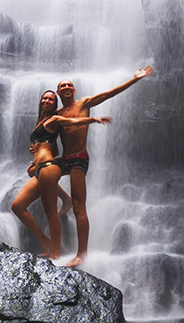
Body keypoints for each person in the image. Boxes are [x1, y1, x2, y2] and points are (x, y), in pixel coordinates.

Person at [55, 66, 153, 267]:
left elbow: (109, 94)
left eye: (69, 85)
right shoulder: (57, 114)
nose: (66, 87)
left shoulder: (84, 103)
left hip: (78, 159)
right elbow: (46, 137)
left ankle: (81, 254)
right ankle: (64, 199)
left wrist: (135, 79)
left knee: (79, 206)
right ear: (58, 92)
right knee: (37, 171)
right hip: (64, 159)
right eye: (62, 86)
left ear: (74, 90)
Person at [11, 90, 112, 260]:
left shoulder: (54, 119)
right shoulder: (40, 122)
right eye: (44, 98)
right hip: (40, 167)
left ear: (54, 104)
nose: (47, 101)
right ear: (40, 101)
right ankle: (45, 240)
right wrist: (35, 155)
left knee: (50, 212)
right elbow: (55, 150)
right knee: (17, 206)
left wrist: (93, 120)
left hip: (49, 167)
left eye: (51, 99)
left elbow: (73, 121)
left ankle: (55, 254)